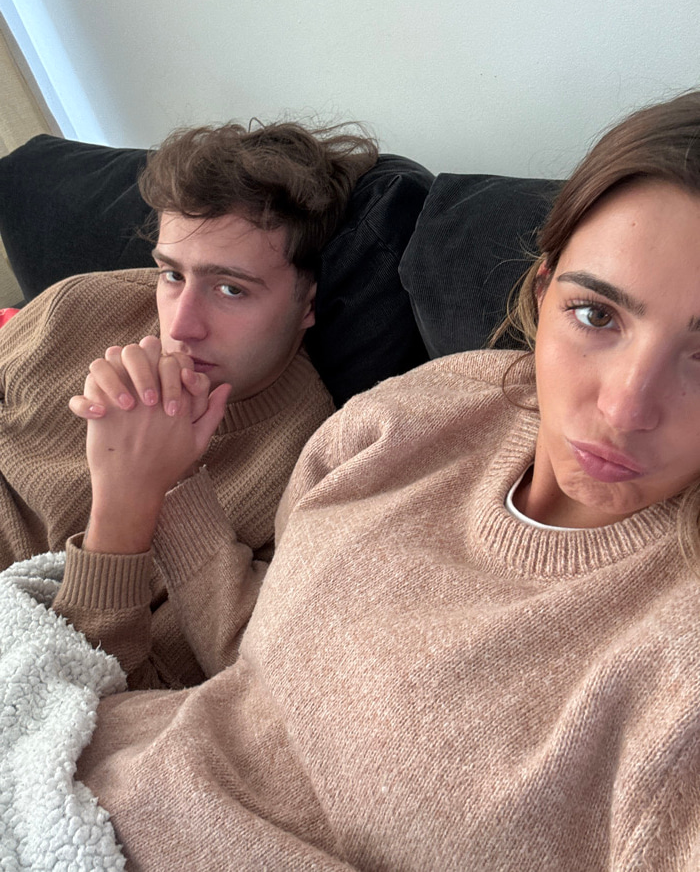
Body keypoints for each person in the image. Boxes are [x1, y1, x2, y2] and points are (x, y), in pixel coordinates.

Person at [70, 90, 700, 869]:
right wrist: (157, 489)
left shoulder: (677, 654)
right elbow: (261, 666)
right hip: (75, 772)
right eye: (597, 314)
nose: (625, 407)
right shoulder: (420, 410)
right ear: (544, 294)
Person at [0, 119, 378, 687]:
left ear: (307, 304)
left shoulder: (309, 472)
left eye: (230, 289)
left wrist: (132, 492)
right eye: (172, 275)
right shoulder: (76, 306)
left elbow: (117, 692)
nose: (180, 326)